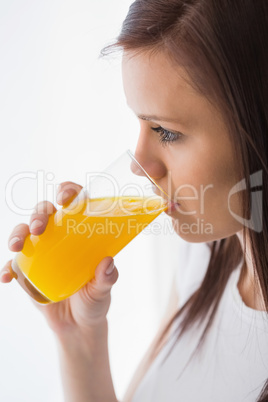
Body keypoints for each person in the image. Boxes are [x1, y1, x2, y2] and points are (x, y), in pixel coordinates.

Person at [1, 0, 268, 401]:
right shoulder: (206, 257)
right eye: (140, 123)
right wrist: (78, 339)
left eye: (166, 131)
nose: (138, 164)